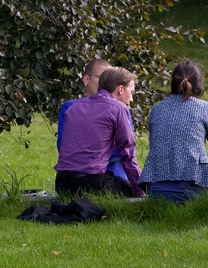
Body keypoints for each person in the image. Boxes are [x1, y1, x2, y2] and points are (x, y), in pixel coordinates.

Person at [139, 60, 208, 202]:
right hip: (196, 190)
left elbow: (154, 146)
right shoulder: (205, 108)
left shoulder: (157, 108)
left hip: (156, 191)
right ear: (200, 84)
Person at [54, 66, 145, 197]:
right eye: (131, 92)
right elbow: (127, 153)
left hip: (62, 183)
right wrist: (139, 190)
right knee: (129, 188)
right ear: (120, 89)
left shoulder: (75, 106)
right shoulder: (118, 108)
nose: (131, 99)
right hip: (91, 182)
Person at [56, 58, 127, 180]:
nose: (105, 84)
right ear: (86, 79)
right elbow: (64, 148)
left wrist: (88, 154)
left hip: (116, 175)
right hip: (83, 178)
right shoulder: (71, 107)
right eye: (100, 78)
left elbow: (124, 150)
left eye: (109, 80)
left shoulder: (119, 109)